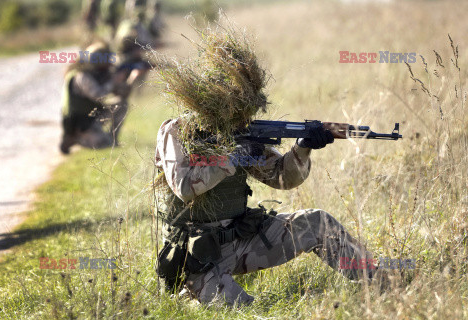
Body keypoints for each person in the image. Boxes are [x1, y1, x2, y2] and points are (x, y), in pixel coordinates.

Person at [154, 28, 377, 306]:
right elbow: (184, 187)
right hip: (195, 255)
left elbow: (282, 178)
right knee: (243, 308)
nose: (240, 115)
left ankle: (379, 281)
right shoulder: (177, 132)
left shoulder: (240, 133)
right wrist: (233, 158)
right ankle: (189, 291)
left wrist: (302, 147)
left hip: (240, 239)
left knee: (317, 223)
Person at [60, 41, 140, 154]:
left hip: (92, 117)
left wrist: (131, 79)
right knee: (104, 144)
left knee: (122, 104)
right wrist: (113, 81)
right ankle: (74, 138)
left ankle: (112, 140)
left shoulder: (99, 74)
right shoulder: (82, 76)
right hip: (81, 122)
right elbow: (99, 96)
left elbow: (122, 94)